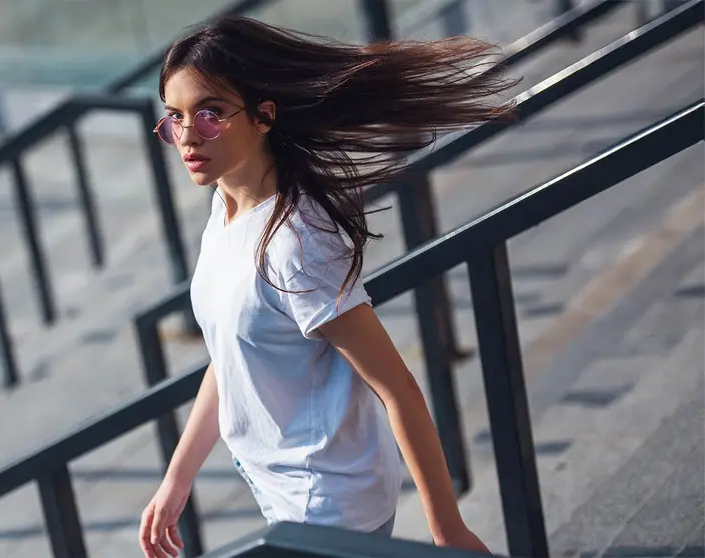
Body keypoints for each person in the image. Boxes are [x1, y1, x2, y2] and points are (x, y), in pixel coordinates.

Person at [138, 15, 516, 558]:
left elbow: (396, 388)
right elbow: (231, 355)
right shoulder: (223, 207)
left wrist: (447, 531)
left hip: (327, 504)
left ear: (264, 115)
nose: (188, 135)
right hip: (282, 492)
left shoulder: (296, 244)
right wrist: (177, 481)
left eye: (211, 114)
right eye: (174, 118)